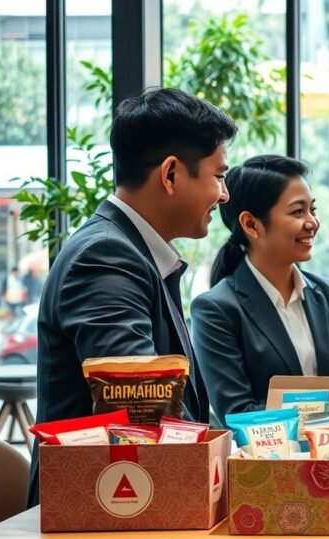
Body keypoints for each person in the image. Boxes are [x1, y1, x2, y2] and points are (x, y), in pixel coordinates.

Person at [29, 87, 237, 506]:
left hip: (126, 503)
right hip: (97, 521)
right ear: (172, 174)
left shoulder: (130, 250)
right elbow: (142, 415)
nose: (224, 194)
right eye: (218, 175)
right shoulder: (107, 257)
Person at [191, 155, 329, 417]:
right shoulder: (216, 309)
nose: (312, 223)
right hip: (269, 457)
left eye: (313, 209)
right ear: (251, 224)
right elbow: (238, 414)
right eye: (298, 212)